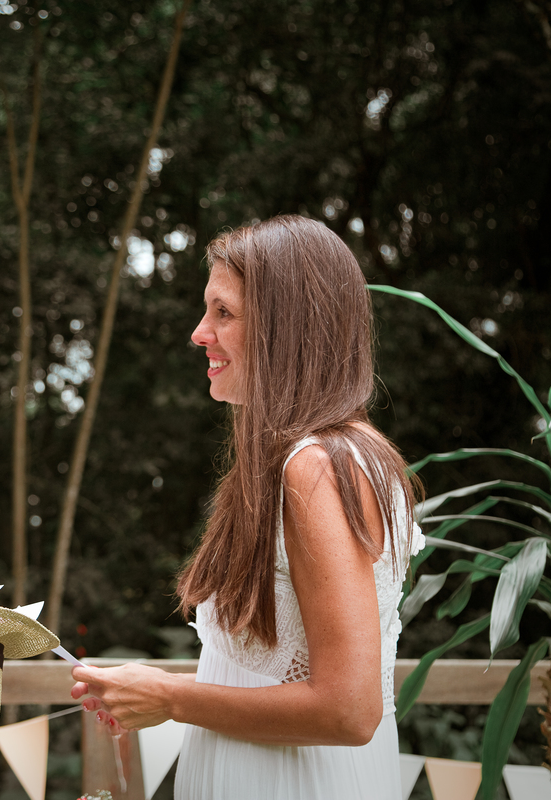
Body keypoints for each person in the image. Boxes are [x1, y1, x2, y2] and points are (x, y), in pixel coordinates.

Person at [70, 215, 424, 799]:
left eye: (224, 313)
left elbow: (349, 710)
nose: (199, 333)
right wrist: (154, 694)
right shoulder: (313, 459)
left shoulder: (315, 468)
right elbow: (267, 673)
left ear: (287, 328)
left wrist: (170, 697)